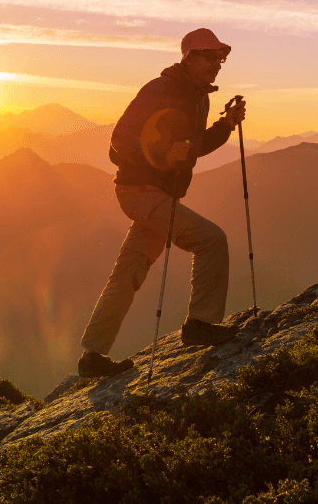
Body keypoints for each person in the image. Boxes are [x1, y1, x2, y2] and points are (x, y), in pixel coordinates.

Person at [77, 28, 247, 378]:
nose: (218, 65)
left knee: (128, 272)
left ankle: (92, 357)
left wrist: (226, 125)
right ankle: (200, 324)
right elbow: (121, 138)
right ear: (190, 57)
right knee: (211, 239)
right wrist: (162, 153)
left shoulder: (199, 97)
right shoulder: (161, 89)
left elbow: (195, 146)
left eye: (221, 59)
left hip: (156, 195)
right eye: (211, 57)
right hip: (139, 191)